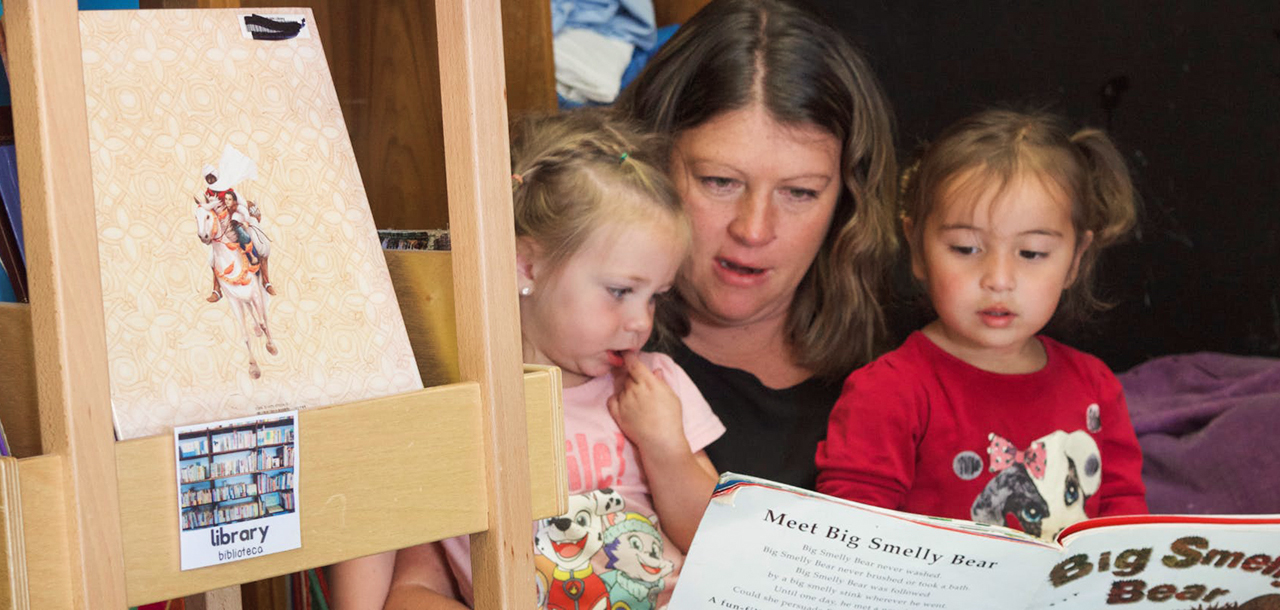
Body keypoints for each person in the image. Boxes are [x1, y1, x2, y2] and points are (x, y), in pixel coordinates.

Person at [330, 109, 724, 609]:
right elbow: (408, 589)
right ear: (525, 265)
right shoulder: (454, 409)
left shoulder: (657, 388)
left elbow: (719, 550)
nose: (641, 322)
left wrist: (665, 447)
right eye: (621, 291)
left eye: (655, 296)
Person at [815, 108, 1148, 541]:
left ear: (1076, 261)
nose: (998, 280)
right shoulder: (889, 393)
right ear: (916, 248)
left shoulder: (1096, 388)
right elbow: (849, 539)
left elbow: (1129, 531)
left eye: (1031, 253)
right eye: (966, 247)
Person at [613, 0, 899, 490]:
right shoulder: (584, 357)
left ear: (847, 202)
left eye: (799, 193)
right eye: (720, 181)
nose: (753, 229)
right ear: (649, 165)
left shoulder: (912, 355)